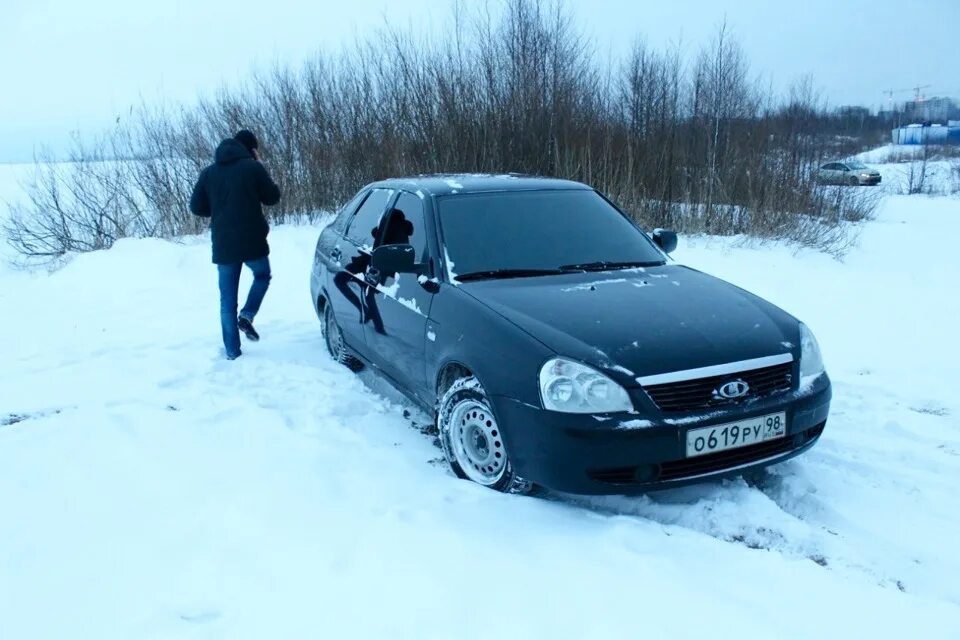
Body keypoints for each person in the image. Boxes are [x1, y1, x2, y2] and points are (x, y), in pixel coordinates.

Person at [190, 129, 281, 360]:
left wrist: (219, 209)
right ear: (251, 150)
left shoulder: (209, 173)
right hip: (252, 241)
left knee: (226, 301)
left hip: (223, 244)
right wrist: (261, 165)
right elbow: (272, 197)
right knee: (262, 275)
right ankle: (247, 315)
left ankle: (232, 352)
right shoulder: (253, 168)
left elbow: (196, 207)